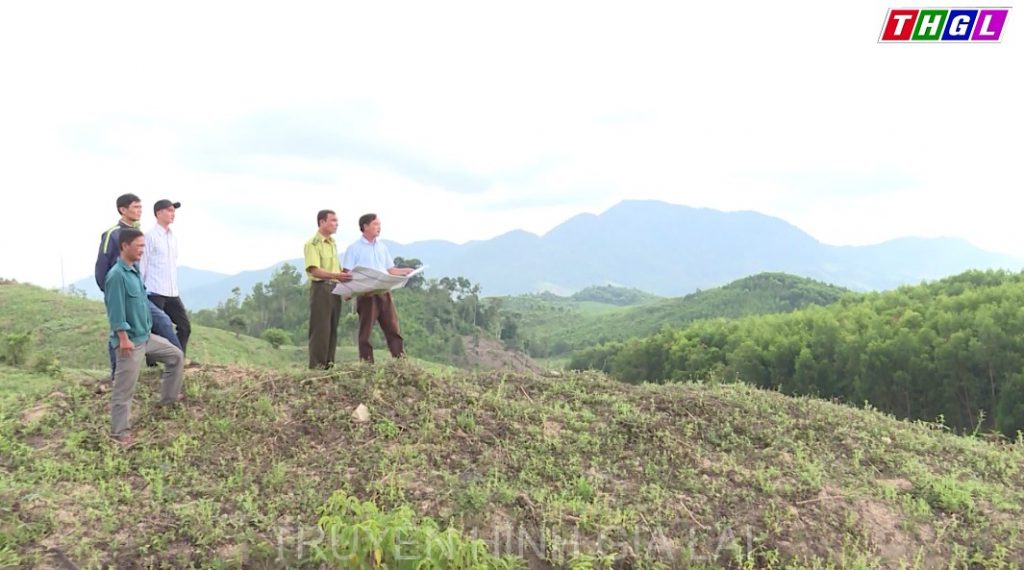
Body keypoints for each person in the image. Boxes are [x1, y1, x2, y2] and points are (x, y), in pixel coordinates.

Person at [105, 228, 184, 446]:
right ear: (124, 246)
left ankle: (167, 400)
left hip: (146, 337)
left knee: (176, 356)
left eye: (143, 246)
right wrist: (123, 338)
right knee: (124, 390)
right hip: (130, 343)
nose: (142, 250)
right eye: (139, 246)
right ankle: (119, 433)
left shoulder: (134, 270)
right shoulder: (116, 276)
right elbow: (115, 311)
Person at [95, 194, 181, 378]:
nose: (139, 211)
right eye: (135, 207)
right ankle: (116, 376)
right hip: (121, 292)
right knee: (120, 331)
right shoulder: (113, 234)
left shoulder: (136, 232)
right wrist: (111, 291)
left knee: (161, 321)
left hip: (138, 292)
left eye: (140, 207)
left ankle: (177, 362)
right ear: (122, 210)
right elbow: (102, 266)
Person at [342, 213, 413, 363]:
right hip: (366, 295)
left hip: (384, 292)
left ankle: (400, 361)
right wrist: (348, 292)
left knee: (393, 329)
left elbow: (390, 270)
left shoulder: (382, 247)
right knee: (366, 333)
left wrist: (405, 271)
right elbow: (347, 273)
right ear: (365, 226)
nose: (379, 227)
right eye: (375, 224)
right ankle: (367, 365)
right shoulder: (354, 248)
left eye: (379, 224)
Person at [141, 199, 191, 356]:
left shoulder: (172, 237)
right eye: (169, 210)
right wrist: (141, 288)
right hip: (154, 290)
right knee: (156, 328)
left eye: (173, 211)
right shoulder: (150, 236)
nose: (172, 214)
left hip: (172, 291)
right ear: (158, 213)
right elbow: (143, 263)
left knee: (184, 327)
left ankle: (179, 358)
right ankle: (152, 361)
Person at [303, 209, 352, 369]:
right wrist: (336, 276)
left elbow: (336, 268)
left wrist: (346, 287)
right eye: (333, 220)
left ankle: (329, 366)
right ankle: (317, 367)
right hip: (321, 288)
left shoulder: (332, 243)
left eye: (336, 221)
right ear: (322, 222)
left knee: (332, 329)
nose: (336, 224)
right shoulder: (313, 243)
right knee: (320, 329)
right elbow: (314, 270)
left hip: (335, 288)